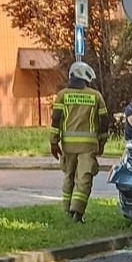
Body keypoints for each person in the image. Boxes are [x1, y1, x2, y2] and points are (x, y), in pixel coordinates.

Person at [49, 61, 109, 223]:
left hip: (68, 145)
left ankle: (66, 210)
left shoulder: (62, 95)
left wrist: (54, 142)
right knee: (84, 179)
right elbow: (104, 121)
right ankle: (78, 213)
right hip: (88, 147)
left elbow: (55, 120)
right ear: (85, 77)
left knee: (68, 176)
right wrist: (102, 142)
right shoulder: (95, 96)